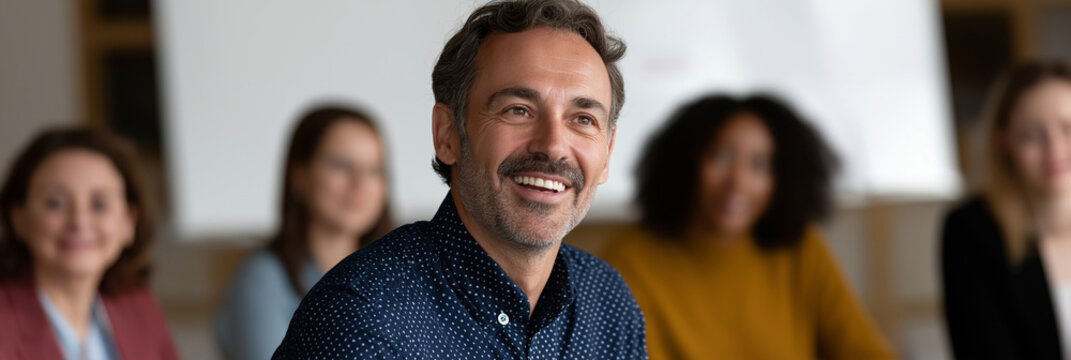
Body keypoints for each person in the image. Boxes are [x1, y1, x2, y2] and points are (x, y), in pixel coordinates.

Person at [272, 0, 646, 358]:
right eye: (518, 110)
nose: (553, 146)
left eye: (583, 119)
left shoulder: (608, 303)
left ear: (608, 152)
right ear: (448, 135)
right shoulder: (361, 318)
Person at [600, 94, 896, 359]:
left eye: (759, 165)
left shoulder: (800, 249)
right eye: (722, 157)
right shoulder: (627, 264)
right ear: (686, 163)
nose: (738, 182)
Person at [215, 105, 393, 360]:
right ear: (300, 176)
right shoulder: (262, 279)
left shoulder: (398, 276)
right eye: (342, 165)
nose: (360, 183)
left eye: (374, 170)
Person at [0, 128, 178, 360]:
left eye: (99, 204)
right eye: (55, 203)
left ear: (129, 221)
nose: (79, 222)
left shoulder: (139, 306)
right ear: (19, 219)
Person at [942, 61, 1071, 360]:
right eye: (1032, 135)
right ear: (1003, 141)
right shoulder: (972, 231)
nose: (1055, 150)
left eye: (1068, 129)